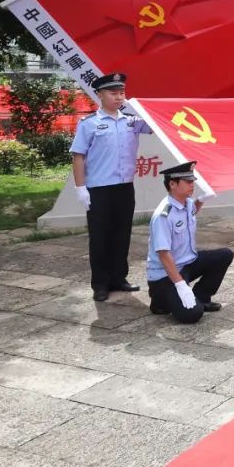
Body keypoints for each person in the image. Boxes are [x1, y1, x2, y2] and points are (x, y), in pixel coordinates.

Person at [70, 72, 154, 302]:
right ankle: (100, 284)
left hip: (124, 189)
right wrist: (81, 188)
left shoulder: (131, 122)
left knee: (121, 235)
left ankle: (119, 278)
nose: (118, 97)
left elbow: (156, 125)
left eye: (121, 93)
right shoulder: (89, 124)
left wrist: (136, 107)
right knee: (99, 237)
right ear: (99, 95)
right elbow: (78, 157)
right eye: (113, 93)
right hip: (99, 189)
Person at [146, 162, 234, 324]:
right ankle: (160, 301)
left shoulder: (187, 203)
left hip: (187, 262)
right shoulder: (163, 215)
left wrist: (201, 200)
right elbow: (164, 254)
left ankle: (201, 297)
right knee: (192, 315)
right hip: (165, 275)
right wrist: (180, 285)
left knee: (224, 255)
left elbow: (192, 211)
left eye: (192, 181)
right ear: (173, 184)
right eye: (187, 182)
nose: (192, 185)